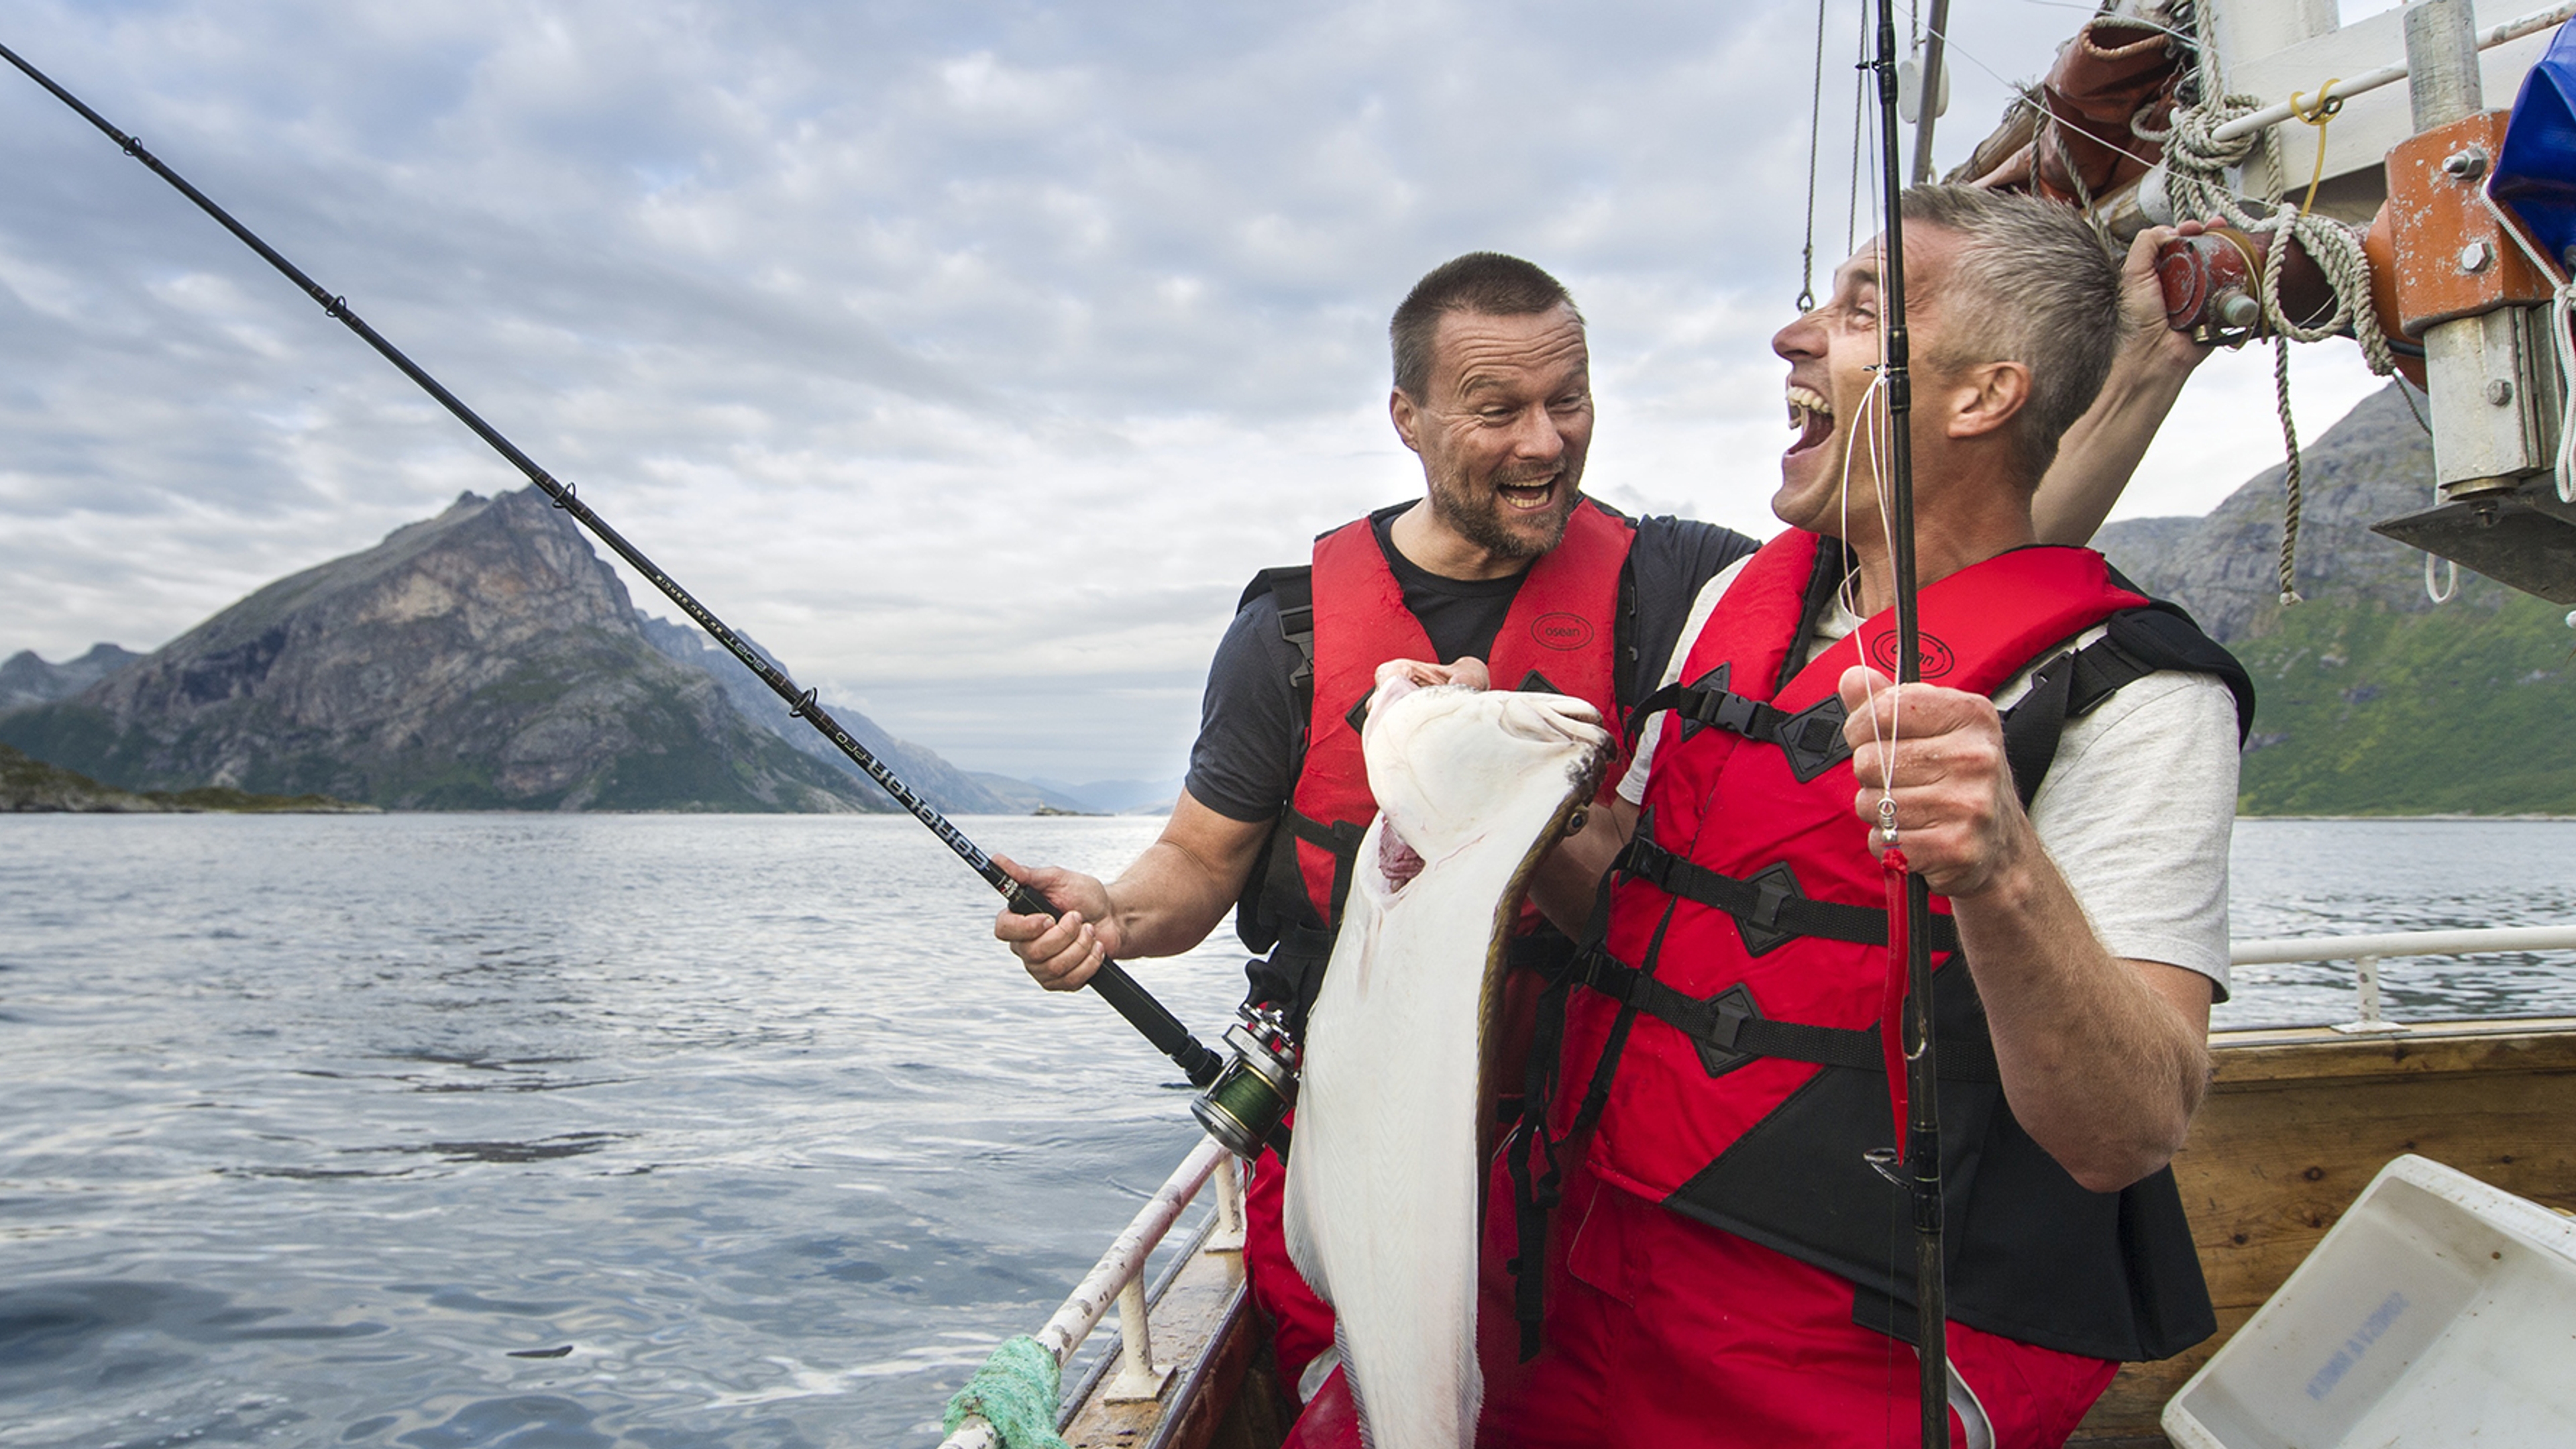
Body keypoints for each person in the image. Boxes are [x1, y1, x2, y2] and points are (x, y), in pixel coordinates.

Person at [994, 236, 2208, 1416]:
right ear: (1408, 419)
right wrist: (1113, 914)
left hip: (1577, 1151)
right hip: (1372, 1124)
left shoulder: (1681, 581)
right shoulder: (1293, 632)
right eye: (1496, 408)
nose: (1545, 439)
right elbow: (1198, 863)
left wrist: (2141, 373)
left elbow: (1963, 557)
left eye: (1568, 399)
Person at [1483, 186, 2248, 1448]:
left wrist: (2000, 870)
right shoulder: (1739, 596)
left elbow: (2131, 1128)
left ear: (1981, 396)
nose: (1794, 337)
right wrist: (1491, 781)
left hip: (1860, 1343)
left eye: (1857, 312)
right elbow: (1629, 896)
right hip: (1585, 1263)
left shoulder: (2137, 693)